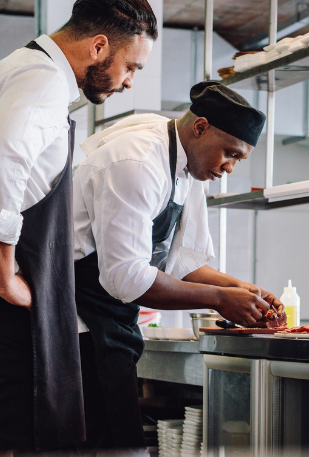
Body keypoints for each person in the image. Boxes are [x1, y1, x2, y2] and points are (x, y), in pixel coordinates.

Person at [0, 0, 158, 453]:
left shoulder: (10, 70)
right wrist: (2, 277)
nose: (128, 81)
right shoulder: (42, 80)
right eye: (131, 66)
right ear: (98, 45)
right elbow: (0, 163)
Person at [72, 81, 281, 449]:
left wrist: (240, 290)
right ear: (200, 128)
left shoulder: (188, 166)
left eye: (239, 159)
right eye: (229, 153)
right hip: (78, 323)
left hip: (112, 321)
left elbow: (182, 263)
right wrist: (219, 299)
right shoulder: (137, 161)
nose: (229, 167)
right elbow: (126, 277)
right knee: (105, 445)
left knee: (122, 443)